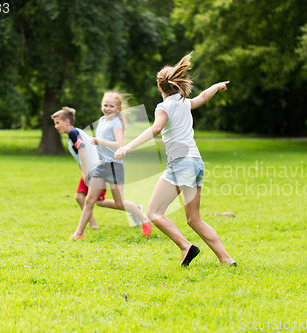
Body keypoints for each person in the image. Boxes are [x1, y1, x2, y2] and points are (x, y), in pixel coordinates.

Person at [114, 53, 236, 267]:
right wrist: (216, 86)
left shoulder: (164, 107)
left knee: (153, 212)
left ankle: (186, 247)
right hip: (196, 163)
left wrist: (128, 146)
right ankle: (225, 259)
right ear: (177, 86)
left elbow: (156, 128)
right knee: (193, 219)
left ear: (160, 88)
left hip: (180, 164)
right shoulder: (184, 103)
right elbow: (204, 97)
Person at [58, 94, 152, 240]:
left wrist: (98, 141)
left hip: (114, 166)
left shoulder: (116, 123)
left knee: (119, 202)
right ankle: (79, 234)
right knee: (90, 200)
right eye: (105, 105)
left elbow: (119, 144)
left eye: (111, 106)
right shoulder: (101, 120)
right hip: (101, 166)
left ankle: (144, 219)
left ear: (118, 109)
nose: (107, 108)